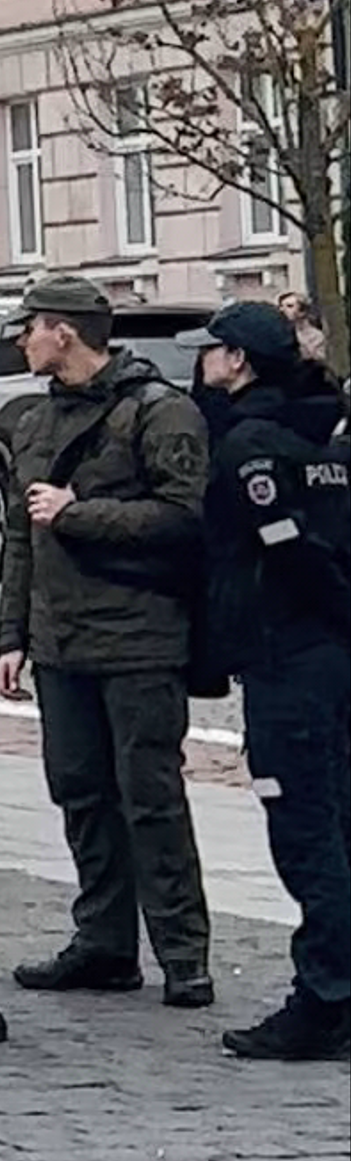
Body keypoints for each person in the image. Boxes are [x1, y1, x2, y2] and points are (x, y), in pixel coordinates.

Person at [0, 275, 214, 1007]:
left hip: (141, 637)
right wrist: (11, 635)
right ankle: (105, 944)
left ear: (66, 331)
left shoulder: (161, 412)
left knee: (151, 797)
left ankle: (184, 954)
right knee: (80, 793)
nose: (21, 339)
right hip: (61, 645)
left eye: (30, 326)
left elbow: (184, 518)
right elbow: (23, 536)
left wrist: (81, 511)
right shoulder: (32, 420)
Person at [187, 297, 351, 1062]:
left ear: (240, 361)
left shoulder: (251, 444)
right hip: (328, 652)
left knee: (307, 831)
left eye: (215, 350)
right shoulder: (329, 428)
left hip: (289, 653)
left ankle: (325, 1000)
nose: (204, 361)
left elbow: (282, 545)